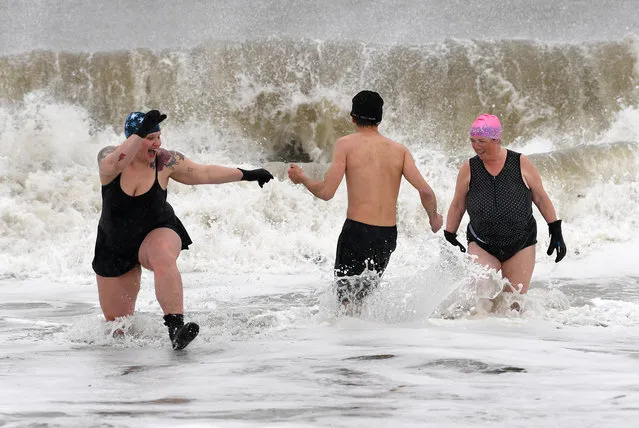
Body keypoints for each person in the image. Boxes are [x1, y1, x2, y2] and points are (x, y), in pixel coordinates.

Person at [92, 110, 274, 349]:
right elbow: (113, 163)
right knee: (117, 329)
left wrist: (247, 174)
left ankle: (176, 327)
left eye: (159, 136)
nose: (157, 143)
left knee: (162, 256)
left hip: (156, 230)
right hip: (114, 242)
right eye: (150, 137)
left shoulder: (165, 161)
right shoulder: (110, 158)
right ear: (133, 137)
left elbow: (203, 173)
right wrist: (139, 133)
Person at [287, 90, 443, 306]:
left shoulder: (345, 144)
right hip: (387, 236)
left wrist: (302, 178)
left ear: (352, 117)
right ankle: (366, 339)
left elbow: (326, 192)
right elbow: (426, 191)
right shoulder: (400, 151)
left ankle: (348, 339)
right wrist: (434, 218)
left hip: (358, 233)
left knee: (346, 304)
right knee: (364, 301)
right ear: (380, 119)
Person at [444, 113, 566, 303]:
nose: (476, 146)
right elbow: (458, 204)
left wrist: (555, 229)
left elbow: (540, 197)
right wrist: (449, 235)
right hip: (481, 242)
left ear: (496, 139)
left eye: (481, 141)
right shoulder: (468, 168)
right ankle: (475, 332)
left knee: (514, 305)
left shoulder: (520, 163)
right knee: (481, 301)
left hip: (521, 243)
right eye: (472, 141)